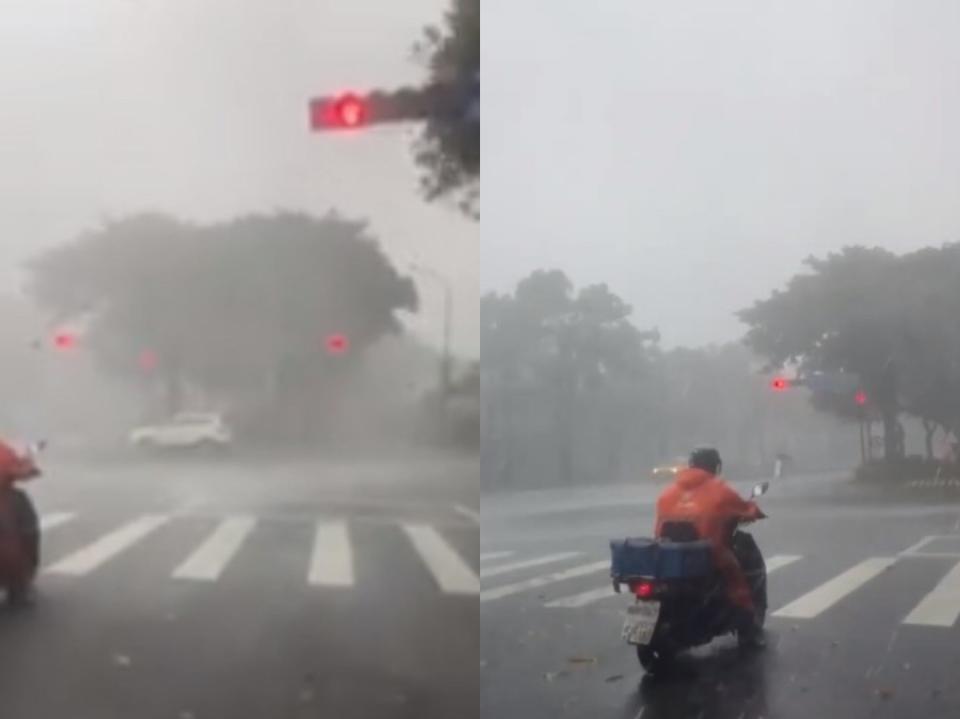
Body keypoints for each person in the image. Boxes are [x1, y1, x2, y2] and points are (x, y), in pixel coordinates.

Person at [654, 447, 766, 646]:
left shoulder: (668, 492)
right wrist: (754, 511)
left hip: (667, 556)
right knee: (736, 578)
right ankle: (749, 628)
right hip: (710, 553)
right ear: (715, 466)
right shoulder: (720, 490)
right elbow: (745, 508)